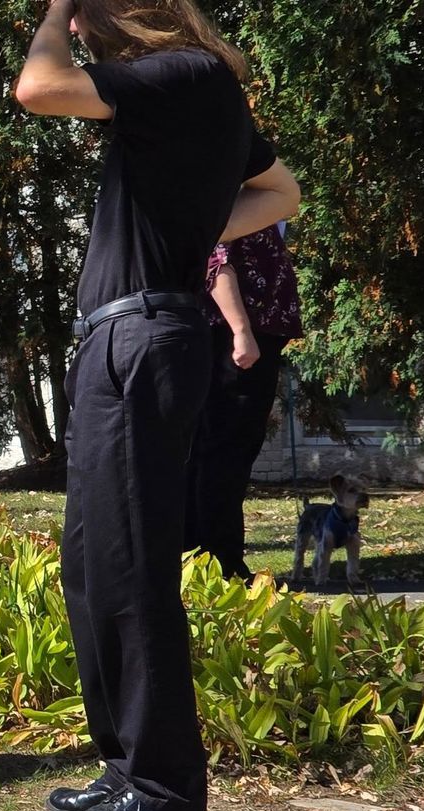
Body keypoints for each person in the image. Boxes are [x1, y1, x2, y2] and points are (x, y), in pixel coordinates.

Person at [15, 0, 300, 811]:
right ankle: (128, 768)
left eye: (87, 16)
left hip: (141, 339)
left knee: (132, 566)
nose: (78, 32)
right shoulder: (188, 88)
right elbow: (281, 192)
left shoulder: (186, 74)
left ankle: (166, 790)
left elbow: (37, 87)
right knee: (92, 566)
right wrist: (194, 222)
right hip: (122, 340)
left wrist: (54, 9)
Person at [184, 223, 303, 580]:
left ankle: (207, 560)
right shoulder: (237, 198)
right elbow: (216, 261)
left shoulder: (254, 202)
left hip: (251, 335)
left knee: (228, 451)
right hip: (232, 339)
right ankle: (219, 565)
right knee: (224, 452)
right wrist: (241, 330)